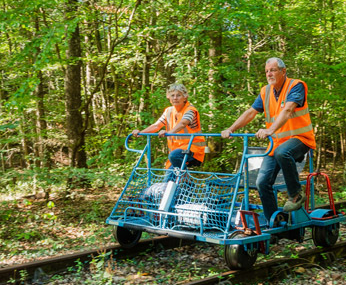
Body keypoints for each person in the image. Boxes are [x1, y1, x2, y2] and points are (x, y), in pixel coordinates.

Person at [220, 57, 316, 225]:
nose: (269, 74)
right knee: (262, 182)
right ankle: (274, 221)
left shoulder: (295, 86)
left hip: (301, 139)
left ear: (283, 71)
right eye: (266, 71)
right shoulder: (265, 91)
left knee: (283, 152)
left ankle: (296, 195)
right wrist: (231, 129)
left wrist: (271, 130)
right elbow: (251, 112)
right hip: (278, 143)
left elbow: (288, 109)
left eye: (273, 70)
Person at [132, 83, 207, 175]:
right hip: (175, 153)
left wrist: (168, 132)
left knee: (175, 156)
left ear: (185, 97)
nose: (175, 98)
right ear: (169, 97)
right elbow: (156, 126)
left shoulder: (190, 110)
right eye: (172, 95)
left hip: (192, 149)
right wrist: (141, 132)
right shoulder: (169, 111)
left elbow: (183, 123)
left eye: (178, 95)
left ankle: (185, 180)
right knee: (168, 179)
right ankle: (186, 184)